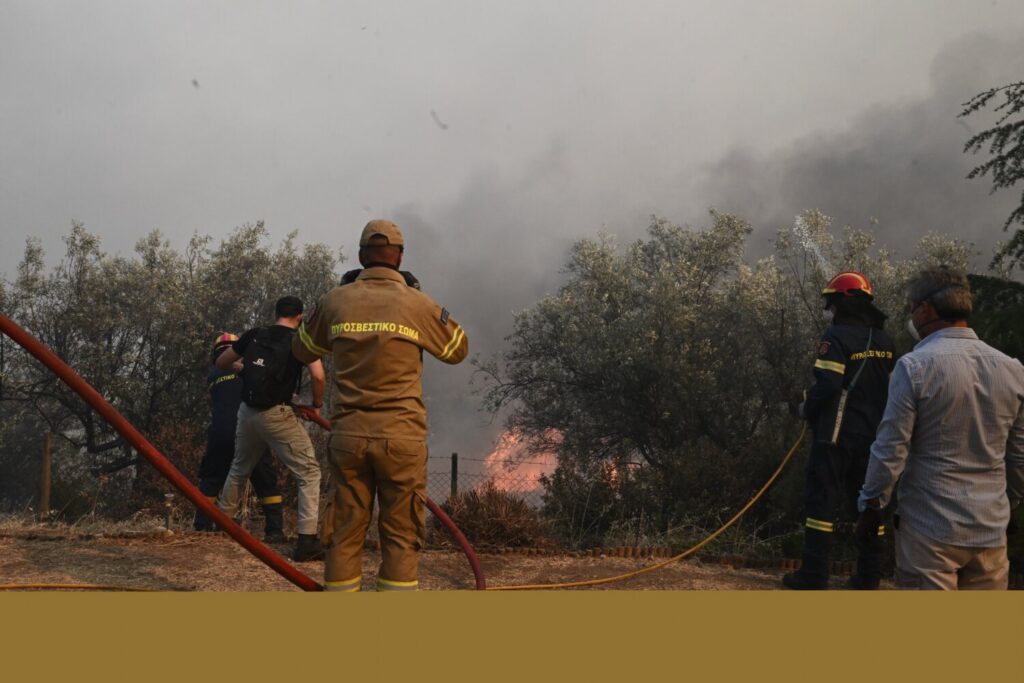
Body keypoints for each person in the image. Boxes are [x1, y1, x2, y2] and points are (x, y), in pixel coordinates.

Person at [292, 219, 468, 591]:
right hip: (401, 439)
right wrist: (421, 304)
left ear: (360, 257)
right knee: (401, 536)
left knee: (343, 533)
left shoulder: (335, 300)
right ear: (400, 258)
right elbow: (457, 350)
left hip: (349, 437)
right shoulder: (416, 302)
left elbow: (301, 349)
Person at [856, 266, 1024, 590]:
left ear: (925, 309)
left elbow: (891, 447)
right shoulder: (1012, 370)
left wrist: (872, 504)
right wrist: (1011, 505)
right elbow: (1018, 457)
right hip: (990, 531)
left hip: (929, 532)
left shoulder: (914, 367)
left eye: (911, 307)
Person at [782, 271, 896, 590]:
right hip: (874, 439)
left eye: (831, 304)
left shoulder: (836, 338)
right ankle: (869, 575)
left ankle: (814, 574)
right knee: (869, 504)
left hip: (834, 436)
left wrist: (806, 406)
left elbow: (829, 385)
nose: (830, 312)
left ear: (845, 302)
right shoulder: (885, 341)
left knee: (822, 502)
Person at [214, 297, 327, 562]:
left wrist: (245, 370)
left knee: (239, 468)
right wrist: (317, 406)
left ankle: (223, 527)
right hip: (277, 413)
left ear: (275, 313)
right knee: (309, 472)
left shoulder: (255, 335)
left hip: (247, 412)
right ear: (299, 317)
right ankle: (307, 541)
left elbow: (222, 362)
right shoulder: (300, 340)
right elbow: (319, 376)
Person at [193, 332, 285, 543]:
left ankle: (200, 528)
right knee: (265, 481)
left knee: (211, 480)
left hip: (220, 434)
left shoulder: (213, 376)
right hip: (251, 432)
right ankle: (275, 530)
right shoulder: (250, 371)